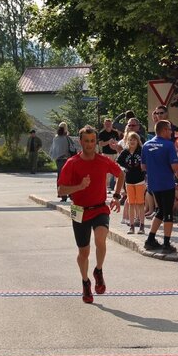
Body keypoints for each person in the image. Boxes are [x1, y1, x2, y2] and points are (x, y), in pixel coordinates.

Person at [56, 125, 125, 304]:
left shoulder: (103, 160)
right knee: (83, 252)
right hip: (78, 209)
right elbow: (61, 189)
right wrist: (79, 187)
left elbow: (121, 174)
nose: (90, 144)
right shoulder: (72, 163)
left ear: (96, 141)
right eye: (86, 141)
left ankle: (99, 270)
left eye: (92, 141)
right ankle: (86, 282)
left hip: (100, 207)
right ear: (80, 142)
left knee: (100, 238)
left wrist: (117, 196)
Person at [141, 119, 178, 253]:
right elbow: (175, 166)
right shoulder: (169, 145)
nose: (171, 132)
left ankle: (150, 240)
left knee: (160, 211)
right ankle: (166, 244)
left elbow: (143, 166)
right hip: (166, 183)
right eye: (169, 129)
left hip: (153, 184)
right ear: (164, 130)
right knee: (168, 213)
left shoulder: (146, 145)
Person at [117, 130, 146, 234]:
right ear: (127, 141)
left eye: (134, 139)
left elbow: (146, 162)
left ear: (138, 141)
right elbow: (118, 161)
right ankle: (132, 226)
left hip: (139, 180)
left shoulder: (141, 151)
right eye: (130, 140)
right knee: (131, 203)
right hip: (129, 181)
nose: (132, 141)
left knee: (140, 203)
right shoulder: (125, 152)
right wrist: (124, 168)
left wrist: (144, 169)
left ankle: (142, 226)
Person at [51, 122, 79, 200]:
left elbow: (52, 150)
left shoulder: (55, 138)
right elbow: (73, 148)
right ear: (66, 128)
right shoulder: (67, 138)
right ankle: (70, 194)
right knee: (69, 176)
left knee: (60, 176)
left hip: (58, 160)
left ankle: (61, 194)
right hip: (66, 159)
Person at [98, 117, 122, 191]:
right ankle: (106, 188)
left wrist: (114, 143)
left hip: (115, 153)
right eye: (106, 124)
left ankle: (117, 188)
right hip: (106, 154)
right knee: (106, 172)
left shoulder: (115, 132)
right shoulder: (102, 133)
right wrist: (108, 142)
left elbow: (119, 142)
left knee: (117, 170)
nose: (108, 125)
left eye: (109, 124)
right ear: (104, 125)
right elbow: (100, 144)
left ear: (112, 124)